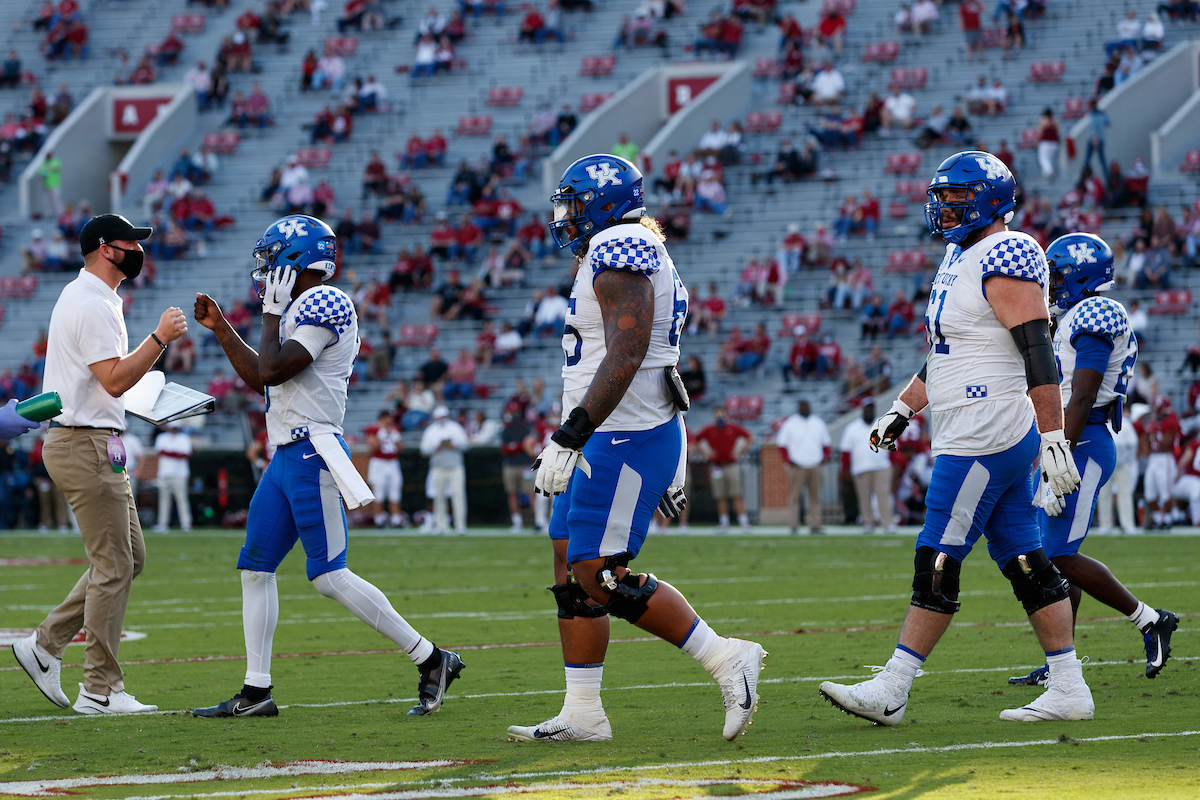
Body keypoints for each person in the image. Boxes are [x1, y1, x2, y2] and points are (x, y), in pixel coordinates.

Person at [818, 151, 1092, 726]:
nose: (943, 207)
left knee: (939, 551)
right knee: (1023, 556)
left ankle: (892, 687)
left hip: (985, 430)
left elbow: (1038, 351)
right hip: (975, 425)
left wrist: (1055, 434)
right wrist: (902, 408)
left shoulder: (1006, 251)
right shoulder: (960, 255)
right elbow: (949, 350)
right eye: (940, 197)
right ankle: (1068, 685)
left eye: (955, 197)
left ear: (990, 199)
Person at [507, 154, 765, 745]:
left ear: (601, 203)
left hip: (621, 435)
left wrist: (570, 435)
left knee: (599, 574)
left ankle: (726, 658)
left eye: (572, 203)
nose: (564, 216)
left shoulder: (620, 243)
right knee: (569, 564)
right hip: (613, 429)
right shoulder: (620, 245)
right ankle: (583, 712)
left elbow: (628, 355)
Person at [190, 215, 463, 718]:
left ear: (295, 261)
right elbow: (265, 379)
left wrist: (269, 317)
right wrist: (224, 329)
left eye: (273, 258)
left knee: (329, 575)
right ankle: (256, 690)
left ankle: (431, 658)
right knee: (255, 568)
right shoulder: (298, 307)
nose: (266, 269)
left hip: (313, 450)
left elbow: (272, 367)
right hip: (286, 455)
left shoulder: (326, 300)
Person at [12, 214, 188, 715]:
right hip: (84, 443)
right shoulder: (91, 302)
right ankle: (100, 688)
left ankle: (46, 644)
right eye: (131, 242)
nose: (139, 250)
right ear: (106, 249)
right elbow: (112, 381)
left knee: (128, 559)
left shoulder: (93, 297)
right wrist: (159, 340)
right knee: (114, 565)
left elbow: (102, 386)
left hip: (91, 440)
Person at [1006, 234, 1176, 688]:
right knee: (1057, 556)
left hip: (1083, 440)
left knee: (1059, 554)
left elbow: (1081, 396)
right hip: (1070, 439)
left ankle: (1149, 619)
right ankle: (1062, 661)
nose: (1053, 283)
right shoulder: (1073, 315)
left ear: (1082, 273)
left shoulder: (1096, 313)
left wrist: (1055, 453)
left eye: (1059, 274)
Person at [775, 399, 830, 534]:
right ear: (798, 408)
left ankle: (815, 524)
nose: (804, 409)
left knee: (815, 496)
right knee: (794, 496)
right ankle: (794, 524)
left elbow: (826, 443)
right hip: (797, 465)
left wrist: (824, 458)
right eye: (802, 407)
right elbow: (782, 444)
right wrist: (788, 461)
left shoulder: (818, 422)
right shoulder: (790, 423)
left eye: (806, 406)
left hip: (815, 463)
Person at [839, 398, 895, 532]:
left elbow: (892, 446)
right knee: (864, 497)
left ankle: (887, 523)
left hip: (881, 466)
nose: (869, 410)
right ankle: (868, 522)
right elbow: (846, 451)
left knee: (883, 495)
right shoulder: (852, 428)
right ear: (862, 409)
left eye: (871, 408)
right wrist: (845, 469)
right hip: (860, 468)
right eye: (867, 408)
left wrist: (892, 464)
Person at [695, 406, 754, 532]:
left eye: (722, 415)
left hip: (731, 465)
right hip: (717, 467)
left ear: (726, 416)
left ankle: (743, 522)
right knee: (720, 495)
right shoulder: (710, 430)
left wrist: (741, 450)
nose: (720, 418)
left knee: (736, 494)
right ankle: (724, 522)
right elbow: (696, 440)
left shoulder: (732, 428)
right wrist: (706, 453)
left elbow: (750, 437)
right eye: (717, 415)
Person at [419, 405, 468, 534]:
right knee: (438, 497)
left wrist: (454, 445)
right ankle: (440, 525)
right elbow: (424, 449)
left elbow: (465, 444)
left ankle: (460, 524)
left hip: (455, 467)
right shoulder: (431, 430)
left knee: (458, 495)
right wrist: (435, 447)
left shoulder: (455, 428)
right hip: (438, 467)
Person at [1136, 395, 1181, 530]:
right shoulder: (1156, 422)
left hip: (1164, 458)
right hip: (1154, 459)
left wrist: (1154, 434)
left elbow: (1165, 444)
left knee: (1165, 492)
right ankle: (1157, 518)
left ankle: (1167, 519)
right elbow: (1148, 443)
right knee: (1150, 492)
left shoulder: (1169, 421)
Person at [1097, 405, 1141, 534]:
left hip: (1122, 465)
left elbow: (1133, 444)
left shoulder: (1125, 424)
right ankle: (1105, 524)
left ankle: (1127, 524)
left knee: (1125, 494)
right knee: (1104, 495)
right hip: (1105, 466)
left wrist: (1128, 460)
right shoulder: (1101, 424)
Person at [365, 410, 404, 529]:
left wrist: (395, 436)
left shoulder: (394, 429)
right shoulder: (373, 429)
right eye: (388, 418)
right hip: (379, 463)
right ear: (382, 418)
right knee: (379, 492)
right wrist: (381, 434)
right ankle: (379, 520)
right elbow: (372, 447)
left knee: (395, 491)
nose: (390, 421)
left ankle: (396, 519)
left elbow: (401, 448)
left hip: (392, 463)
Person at [500, 409, 536, 531]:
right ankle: (517, 521)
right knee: (512, 493)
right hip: (510, 465)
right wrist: (521, 446)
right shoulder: (506, 430)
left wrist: (515, 446)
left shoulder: (525, 428)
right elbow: (505, 450)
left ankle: (538, 520)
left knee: (530, 492)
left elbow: (529, 446)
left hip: (524, 465)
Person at [153, 420, 192, 533]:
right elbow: (160, 452)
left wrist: (169, 452)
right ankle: (162, 523)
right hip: (164, 473)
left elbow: (185, 454)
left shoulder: (184, 438)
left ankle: (186, 523)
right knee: (164, 500)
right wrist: (176, 453)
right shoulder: (162, 437)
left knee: (182, 499)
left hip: (180, 474)